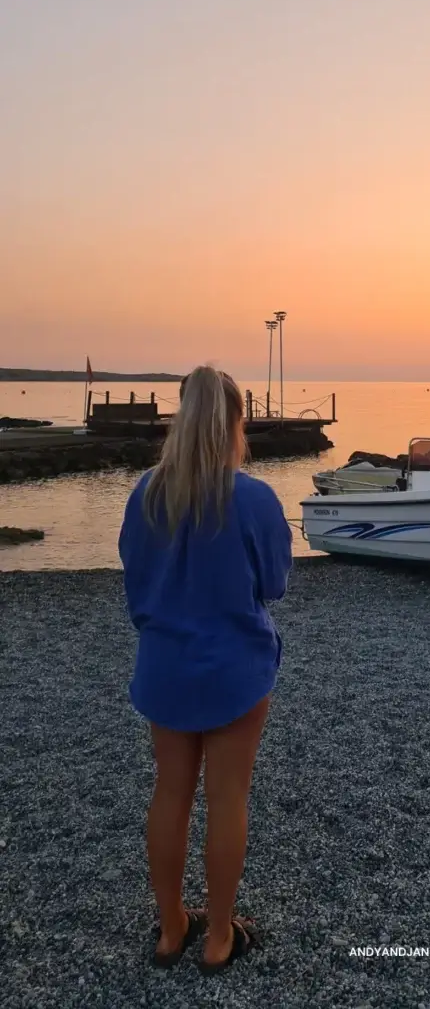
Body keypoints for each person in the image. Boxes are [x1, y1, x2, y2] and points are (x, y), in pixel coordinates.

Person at [118, 365, 292, 974]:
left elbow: (136, 587)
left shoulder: (145, 493)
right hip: (235, 670)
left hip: (166, 665)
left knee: (170, 793)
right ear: (236, 423)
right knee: (227, 798)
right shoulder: (253, 498)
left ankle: (171, 929)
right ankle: (218, 936)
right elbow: (274, 583)